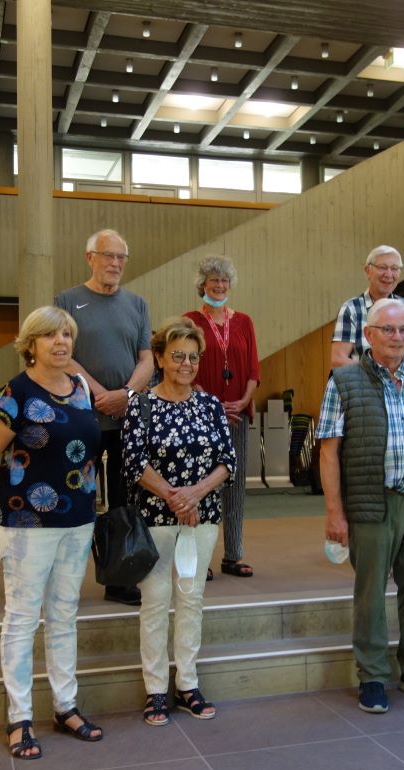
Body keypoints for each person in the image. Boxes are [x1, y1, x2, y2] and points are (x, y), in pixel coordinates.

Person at [316, 298, 404, 714]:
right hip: (372, 505)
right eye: (387, 330)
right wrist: (333, 513)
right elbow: (329, 452)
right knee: (370, 595)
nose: (397, 338)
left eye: (403, 331)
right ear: (368, 335)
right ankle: (373, 676)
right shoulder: (344, 382)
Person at [0, 306, 105, 760]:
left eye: (67, 334)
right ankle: (20, 717)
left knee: (64, 614)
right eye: (50, 335)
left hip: (78, 522)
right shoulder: (15, 392)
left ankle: (65, 706)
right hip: (29, 525)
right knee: (23, 619)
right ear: (31, 344)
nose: (61, 342)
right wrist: (12, 501)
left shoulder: (81, 388)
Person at [122, 317, 236, 726]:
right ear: (159, 359)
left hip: (200, 519)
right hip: (155, 518)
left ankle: (187, 683)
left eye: (193, 357)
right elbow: (134, 463)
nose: (186, 364)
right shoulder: (141, 403)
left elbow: (229, 461)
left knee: (190, 600)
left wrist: (195, 495)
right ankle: (155, 690)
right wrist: (174, 496)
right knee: (155, 603)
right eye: (177, 356)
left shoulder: (209, 405)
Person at [55, 229, 153, 606]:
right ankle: (65, 580)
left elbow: (146, 358)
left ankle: (120, 578)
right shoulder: (67, 300)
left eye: (121, 257)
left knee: (125, 499)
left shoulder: (138, 304)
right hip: (83, 416)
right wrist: (99, 394)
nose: (115, 263)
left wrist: (125, 395)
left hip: (127, 418)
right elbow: (63, 355)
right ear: (89, 257)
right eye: (108, 256)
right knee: (77, 495)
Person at [183, 256, 260, 578]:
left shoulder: (243, 321)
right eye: (213, 280)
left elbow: (254, 368)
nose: (219, 285)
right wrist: (213, 404)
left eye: (224, 280)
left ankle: (234, 555)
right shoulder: (189, 321)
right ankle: (201, 556)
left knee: (235, 487)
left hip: (238, 415)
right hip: (204, 415)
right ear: (202, 284)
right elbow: (185, 367)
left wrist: (243, 400)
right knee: (203, 486)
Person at [330, 245, 404, 368]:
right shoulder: (352, 309)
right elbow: (338, 359)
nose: (389, 274)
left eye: (394, 268)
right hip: (365, 383)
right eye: (382, 268)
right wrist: (379, 374)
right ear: (368, 271)